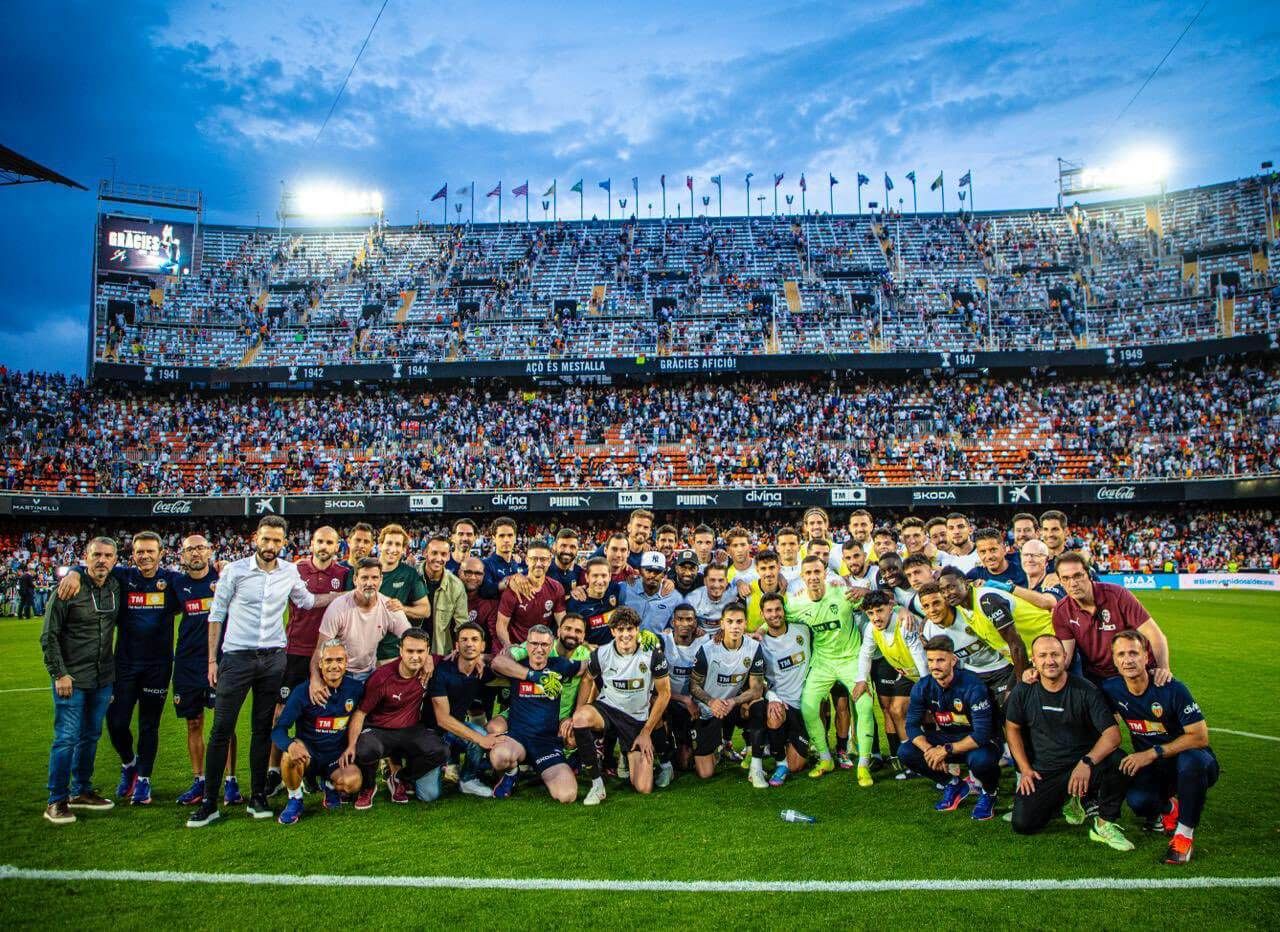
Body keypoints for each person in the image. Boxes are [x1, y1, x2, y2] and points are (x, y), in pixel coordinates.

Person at [186, 515, 339, 828]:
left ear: (284, 542)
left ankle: (257, 796)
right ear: (256, 538)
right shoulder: (235, 570)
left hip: (273, 660)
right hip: (237, 658)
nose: (271, 546)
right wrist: (212, 661)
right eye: (266, 539)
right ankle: (210, 802)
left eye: (277, 541)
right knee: (222, 729)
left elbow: (307, 601)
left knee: (262, 729)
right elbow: (216, 614)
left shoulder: (289, 571)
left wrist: (339, 596)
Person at [57, 530, 186, 806]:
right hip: (124, 665)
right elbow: (94, 567)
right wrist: (73, 572)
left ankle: (145, 780)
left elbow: (199, 582)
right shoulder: (123, 577)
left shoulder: (172, 581)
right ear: (132, 554)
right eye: (140, 551)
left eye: (151, 551)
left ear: (161, 553)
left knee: (149, 725)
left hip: (158, 666)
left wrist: (218, 568)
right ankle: (129, 764)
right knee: (115, 723)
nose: (145, 556)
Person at [1005, 634, 1132, 851]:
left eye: (1055, 654)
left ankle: (1104, 822)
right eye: (1043, 656)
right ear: (1033, 661)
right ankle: (1068, 800)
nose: (1050, 660)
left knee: (1119, 760)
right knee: (1023, 824)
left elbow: (1113, 735)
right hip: (1045, 770)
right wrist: (1025, 769)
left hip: (1083, 766)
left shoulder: (1085, 690)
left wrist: (1086, 763)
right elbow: (1012, 728)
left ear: (1065, 657)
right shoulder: (1024, 690)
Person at [1103, 631, 1217, 865]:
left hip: (1195, 762)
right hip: (1156, 769)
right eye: (1121, 654)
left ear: (1146, 657)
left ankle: (1184, 835)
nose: (1128, 659)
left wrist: (1152, 752)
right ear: (1114, 660)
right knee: (1139, 802)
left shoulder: (1172, 688)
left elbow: (1200, 737)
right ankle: (1171, 807)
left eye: (1134, 653)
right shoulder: (1111, 689)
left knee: (1191, 761)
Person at [40, 536, 121, 824]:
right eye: (96, 555)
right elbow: (48, 635)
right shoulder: (68, 588)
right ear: (85, 557)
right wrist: (59, 673)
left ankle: (82, 790)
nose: (102, 560)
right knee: (65, 739)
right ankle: (56, 800)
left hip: (102, 678)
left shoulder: (114, 585)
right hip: (71, 678)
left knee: (90, 736)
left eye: (108, 555)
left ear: (115, 559)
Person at [270, 525, 349, 792]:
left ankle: (317, 768)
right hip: (294, 651)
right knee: (280, 711)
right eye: (320, 541)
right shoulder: (295, 570)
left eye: (330, 542)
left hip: (328, 655)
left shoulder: (344, 574)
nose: (324, 546)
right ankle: (274, 772)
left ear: (337, 547)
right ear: (311, 543)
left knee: (323, 709)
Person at [785, 555, 875, 786]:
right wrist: (760, 631)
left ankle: (864, 764)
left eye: (817, 572)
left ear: (825, 573)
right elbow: (778, 619)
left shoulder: (843, 593)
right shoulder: (796, 602)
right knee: (808, 707)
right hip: (823, 662)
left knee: (864, 705)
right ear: (802, 577)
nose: (814, 577)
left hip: (851, 660)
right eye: (808, 573)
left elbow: (875, 603)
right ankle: (826, 759)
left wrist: (866, 594)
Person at [573, 606, 671, 805]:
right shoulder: (601, 653)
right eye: (620, 629)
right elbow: (586, 680)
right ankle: (597, 784)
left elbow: (665, 693)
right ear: (612, 631)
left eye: (630, 629)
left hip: (636, 718)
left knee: (643, 787)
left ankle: (648, 760)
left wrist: (646, 732)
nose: (625, 634)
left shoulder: (652, 654)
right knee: (580, 718)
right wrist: (579, 709)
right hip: (608, 709)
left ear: (637, 630)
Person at [899, 636, 1001, 820]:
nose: (934, 665)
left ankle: (990, 793)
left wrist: (945, 750)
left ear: (953, 660)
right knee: (906, 751)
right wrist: (930, 750)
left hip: (980, 742)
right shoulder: (923, 687)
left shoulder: (973, 686)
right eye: (930, 660)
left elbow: (982, 734)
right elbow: (912, 726)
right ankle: (953, 784)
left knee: (981, 760)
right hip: (948, 740)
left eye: (940, 660)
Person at [171, 535, 240, 807]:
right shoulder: (175, 583)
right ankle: (199, 780)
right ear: (182, 555)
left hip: (222, 659)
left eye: (201, 548)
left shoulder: (225, 576)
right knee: (194, 722)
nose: (196, 553)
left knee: (224, 723)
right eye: (190, 549)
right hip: (188, 662)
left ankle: (230, 780)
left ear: (210, 551)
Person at [344, 628, 448, 809]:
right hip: (379, 730)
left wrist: (481, 659)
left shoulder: (430, 665)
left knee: (441, 751)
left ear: (428, 651)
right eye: (410, 651)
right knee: (365, 750)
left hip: (410, 729)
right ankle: (368, 786)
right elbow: (361, 713)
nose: (415, 657)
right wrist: (352, 744)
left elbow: (456, 657)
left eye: (420, 652)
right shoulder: (382, 677)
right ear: (400, 651)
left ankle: (400, 778)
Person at [488, 624, 589, 802]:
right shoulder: (517, 665)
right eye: (534, 643)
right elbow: (497, 662)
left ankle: (543, 770)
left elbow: (588, 666)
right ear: (526, 645)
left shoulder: (559, 665)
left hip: (546, 742)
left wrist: (597, 649)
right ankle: (512, 772)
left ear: (551, 647)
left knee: (568, 795)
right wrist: (535, 677)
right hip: (517, 737)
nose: (539, 649)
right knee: (498, 757)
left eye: (544, 645)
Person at [271, 639, 364, 824]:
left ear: (346, 662)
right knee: (289, 757)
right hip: (308, 755)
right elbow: (279, 730)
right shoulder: (303, 691)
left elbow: (361, 718)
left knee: (353, 781)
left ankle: (329, 785)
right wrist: (290, 745)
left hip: (335, 758)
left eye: (339, 660)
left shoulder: (356, 689)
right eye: (328, 661)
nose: (334, 666)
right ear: (320, 664)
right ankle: (294, 799)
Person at [1051, 551, 1172, 684]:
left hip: (1137, 671)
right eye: (1066, 578)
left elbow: (1154, 634)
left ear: (1089, 575)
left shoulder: (1117, 595)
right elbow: (1066, 657)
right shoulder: (1062, 611)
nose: (1073, 583)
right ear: (1060, 581)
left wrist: (1163, 668)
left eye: (1078, 576)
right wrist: (1038, 670)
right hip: (1098, 679)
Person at [689, 603, 768, 786]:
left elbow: (756, 688)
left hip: (732, 706)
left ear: (745, 623)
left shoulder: (754, 647)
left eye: (739, 622)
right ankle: (716, 745)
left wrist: (733, 701)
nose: (735, 626)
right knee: (705, 773)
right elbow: (694, 686)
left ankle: (756, 767)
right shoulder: (707, 650)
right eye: (730, 622)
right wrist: (711, 702)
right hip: (709, 709)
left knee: (758, 703)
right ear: (722, 624)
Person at [421, 622, 499, 800]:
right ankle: (412, 773)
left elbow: (500, 662)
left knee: (478, 731)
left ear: (482, 645)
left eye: (474, 640)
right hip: (431, 734)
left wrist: (484, 658)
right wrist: (481, 739)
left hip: (453, 732)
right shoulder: (442, 670)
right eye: (464, 640)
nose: (469, 644)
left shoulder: (481, 670)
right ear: (456, 646)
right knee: (429, 795)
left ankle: (468, 780)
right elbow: (442, 719)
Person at [855, 590, 927, 778]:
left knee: (931, 714)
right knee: (896, 710)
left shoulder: (904, 623)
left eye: (879, 611)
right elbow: (865, 653)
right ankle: (912, 760)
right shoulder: (871, 629)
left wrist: (927, 685)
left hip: (927, 673)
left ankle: (946, 759)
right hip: (907, 675)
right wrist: (862, 679)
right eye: (870, 613)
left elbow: (920, 655)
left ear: (890, 607)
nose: (876, 617)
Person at [917, 581, 1018, 712]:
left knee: (1009, 714)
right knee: (984, 722)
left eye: (936, 603)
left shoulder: (969, 613)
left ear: (946, 600)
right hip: (973, 674)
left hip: (1003, 668)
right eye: (926, 606)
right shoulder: (927, 631)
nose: (932, 610)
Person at [312, 559, 411, 690]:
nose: (369, 583)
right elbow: (320, 649)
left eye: (374, 578)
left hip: (369, 672)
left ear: (381, 579)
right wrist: (315, 679)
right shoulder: (338, 606)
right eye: (364, 578)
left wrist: (426, 659)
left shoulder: (389, 606)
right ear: (355, 580)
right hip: (340, 673)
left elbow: (412, 639)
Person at [936, 567, 1032, 681]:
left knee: (1018, 696)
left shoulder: (987, 600)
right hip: (1022, 657)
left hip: (1038, 650)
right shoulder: (961, 605)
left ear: (966, 583)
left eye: (951, 587)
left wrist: (1021, 684)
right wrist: (922, 631)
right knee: (1009, 696)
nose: (947, 594)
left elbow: (1016, 644)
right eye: (942, 591)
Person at [757, 591, 811, 787]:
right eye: (769, 611)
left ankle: (813, 745)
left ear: (784, 610)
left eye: (778, 609)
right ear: (762, 614)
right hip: (781, 702)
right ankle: (780, 763)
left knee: (797, 765)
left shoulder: (803, 630)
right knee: (774, 712)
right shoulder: (759, 644)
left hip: (804, 703)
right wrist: (772, 697)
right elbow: (757, 681)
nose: (774, 614)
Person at [373, 524, 432, 665]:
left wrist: (403, 608)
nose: (393, 549)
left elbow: (426, 610)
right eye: (389, 543)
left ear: (404, 549)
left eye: (398, 545)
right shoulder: (364, 570)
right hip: (361, 652)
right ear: (380, 545)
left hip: (392, 654)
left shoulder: (409, 574)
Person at [660, 604, 707, 780]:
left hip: (696, 704)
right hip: (669, 702)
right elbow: (656, 689)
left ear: (696, 623)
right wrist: (684, 700)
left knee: (686, 764)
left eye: (689, 619)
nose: (685, 623)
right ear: (673, 622)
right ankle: (662, 749)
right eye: (680, 619)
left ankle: (719, 744)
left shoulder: (706, 642)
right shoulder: (663, 642)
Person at [496, 540, 566, 648]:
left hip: (543, 648)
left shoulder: (556, 588)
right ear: (527, 560)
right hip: (518, 647)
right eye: (534, 559)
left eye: (543, 559)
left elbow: (562, 622)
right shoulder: (514, 589)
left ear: (549, 561)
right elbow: (501, 625)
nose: (538, 564)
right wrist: (509, 647)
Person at [417, 534, 468, 654]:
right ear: (425, 553)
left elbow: (462, 624)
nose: (439, 558)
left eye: (443, 554)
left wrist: (460, 650)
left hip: (439, 653)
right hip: (411, 649)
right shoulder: (410, 577)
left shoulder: (456, 586)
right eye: (434, 553)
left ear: (448, 556)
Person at [621, 551, 684, 633]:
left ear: (664, 573)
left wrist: (670, 631)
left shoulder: (675, 598)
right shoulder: (624, 588)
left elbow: (679, 625)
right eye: (648, 570)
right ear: (640, 571)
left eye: (657, 571)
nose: (652, 575)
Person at [567, 557, 621, 646]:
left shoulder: (615, 589)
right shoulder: (576, 602)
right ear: (587, 577)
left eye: (604, 576)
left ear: (610, 577)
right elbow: (569, 634)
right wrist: (585, 645)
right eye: (595, 576)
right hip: (590, 653)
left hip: (615, 650)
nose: (600, 581)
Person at [743, 549, 788, 633]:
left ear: (779, 567)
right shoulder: (747, 590)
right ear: (757, 570)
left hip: (781, 642)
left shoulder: (788, 590)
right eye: (763, 569)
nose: (768, 573)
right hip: (754, 641)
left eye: (772, 567)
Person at [460, 555, 499, 648]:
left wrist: (488, 657)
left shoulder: (490, 604)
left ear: (483, 576)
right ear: (459, 573)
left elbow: (495, 637)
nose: (473, 577)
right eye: (468, 572)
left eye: (478, 573)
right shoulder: (448, 598)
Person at [687, 563, 737, 633]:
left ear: (726, 582)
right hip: (700, 635)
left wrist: (740, 583)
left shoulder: (733, 594)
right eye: (712, 580)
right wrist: (694, 628)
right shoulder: (692, 598)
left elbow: (738, 579)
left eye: (721, 580)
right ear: (705, 581)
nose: (716, 585)